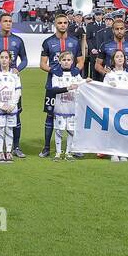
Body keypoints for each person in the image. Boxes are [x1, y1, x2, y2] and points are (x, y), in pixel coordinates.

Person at [0, 12, 27, 158]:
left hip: (12, 82)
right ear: (0, 22)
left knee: (16, 112)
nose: (8, 23)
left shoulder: (18, 40)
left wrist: (18, 69)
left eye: (10, 21)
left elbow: (25, 59)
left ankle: (16, 147)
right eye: (5, 21)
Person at [39, 12, 84, 157]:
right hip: (54, 84)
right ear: (55, 25)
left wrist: (76, 69)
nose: (62, 25)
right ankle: (47, 147)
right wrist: (53, 70)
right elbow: (42, 63)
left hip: (71, 83)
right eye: (59, 23)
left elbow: (81, 60)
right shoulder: (48, 42)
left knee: (73, 116)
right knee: (50, 115)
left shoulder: (75, 42)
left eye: (65, 23)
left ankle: (73, 148)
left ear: (68, 24)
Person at [47, 50, 83, 160]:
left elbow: (82, 85)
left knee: (71, 130)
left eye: (69, 60)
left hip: (72, 109)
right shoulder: (56, 74)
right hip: (60, 108)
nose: (66, 62)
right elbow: (54, 90)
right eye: (64, 60)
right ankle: (58, 153)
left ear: (72, 61)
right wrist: (68, 88)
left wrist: (87, 81)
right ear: (59, 61)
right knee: (59, 130)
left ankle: (68, 153)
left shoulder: (76, 74)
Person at [0, 50, 23, 163]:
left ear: (10, 60)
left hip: (12, 108)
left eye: (6, 57)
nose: (4, 60)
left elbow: (18, 91)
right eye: (1, 57)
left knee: (9, 129)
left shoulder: (15, 75)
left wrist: (13, 104)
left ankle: (8, 152)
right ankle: (0, 153)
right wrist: (0, 105)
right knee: (0, 129)